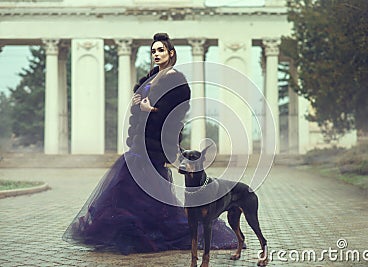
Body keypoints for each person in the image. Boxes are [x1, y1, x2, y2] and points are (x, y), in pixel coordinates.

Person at [63, 33, 237, 255]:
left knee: (148, 190)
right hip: (139, 142)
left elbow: (176, 113)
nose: (156, 54)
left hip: (155, 145)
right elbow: (139, 110)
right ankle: (125, 233)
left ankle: (150, 235)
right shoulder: (150, 77)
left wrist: (151, 110)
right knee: (127, 188)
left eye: (161, 50)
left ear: (171, 53)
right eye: (154, 51)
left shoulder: (177, 81)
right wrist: (137, 105)